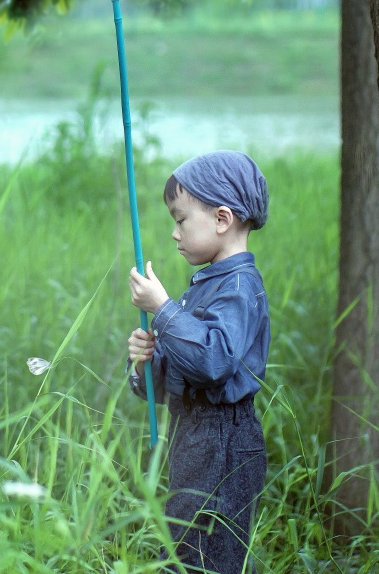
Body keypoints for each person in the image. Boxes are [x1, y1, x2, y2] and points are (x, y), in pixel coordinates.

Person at [126, 150, 270, 574]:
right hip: (193, 433)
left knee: (210, 552)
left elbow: (213, 361)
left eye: (181, 219)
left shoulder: (241, 288)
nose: (174, 233)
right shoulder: (206, 285)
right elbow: (178, 372)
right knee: (185, 545)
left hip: (225, 437)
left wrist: (165, 309)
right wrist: (145, 364)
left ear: (222, 220)